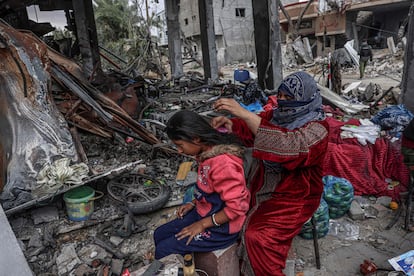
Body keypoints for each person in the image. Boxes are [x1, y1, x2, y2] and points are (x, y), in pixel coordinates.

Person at [211, 71, 329, 275]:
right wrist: (232, 124)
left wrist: (244, 113)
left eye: (289, 98)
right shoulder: (277, 115)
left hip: (297, 196)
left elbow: (290, 145)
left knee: (258, 237)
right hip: (264, 184)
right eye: (280, 96)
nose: (282, 102)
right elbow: (252, 128)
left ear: (305, 99)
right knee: (229, 213)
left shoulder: (318, 130)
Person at [153, 110, 250, 259]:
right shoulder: (205, 155)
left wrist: (202, 224)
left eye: (180, 145)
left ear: (196, 139)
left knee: (164, 249)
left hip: (223, 228)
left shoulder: (223, 164)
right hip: (206, 212)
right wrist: (193, 203)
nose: (179, 151)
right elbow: (210, 189)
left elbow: (237, 208)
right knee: (159, 235)